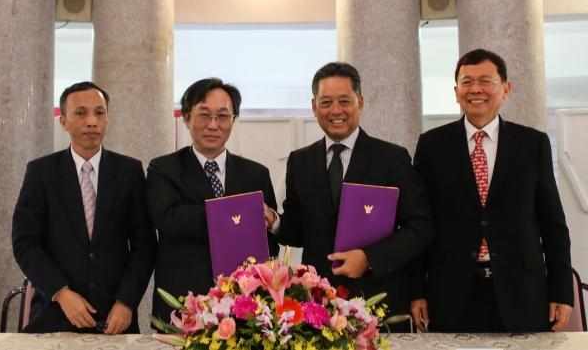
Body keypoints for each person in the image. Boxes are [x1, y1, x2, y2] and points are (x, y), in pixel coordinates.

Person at [409, 49, 573, 333]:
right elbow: (419, 223)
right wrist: (416, 290)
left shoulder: (532, 144)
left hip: (521, 292)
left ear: (506, 89)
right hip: (451, 293)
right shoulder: (432, 145)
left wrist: (561, 291)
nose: (475, 89)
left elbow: (553, 223)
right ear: (456, 91)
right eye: (467, 82)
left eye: (486, 81)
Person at [273, 62, 435, 329]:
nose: (336, 110)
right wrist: (274, 222)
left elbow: (420, 227)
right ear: (314, 107)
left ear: (360, 103)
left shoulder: (392, 159)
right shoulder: (299, 161)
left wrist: (370, 258)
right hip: (317, 304)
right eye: (326, 102)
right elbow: (299, 230)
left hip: (377, 301)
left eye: (344, 101)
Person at [12, 82, 157, 334]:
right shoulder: (41, 172)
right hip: (54, 315)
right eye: (81, 113)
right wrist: (61, 293)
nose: (92, 121)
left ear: (107, 118)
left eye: (99, 113)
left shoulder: (129, 172)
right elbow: (25, 242)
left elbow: (144, 245)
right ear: (64, 122)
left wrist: (126, 301)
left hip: (115, 319)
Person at [146, 78, 280, 322]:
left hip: (245, 306)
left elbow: (269, 242)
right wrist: (238, 216)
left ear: (233, 120)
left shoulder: (255, 174)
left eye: (222, 116)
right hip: (184, 304)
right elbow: (170, 219)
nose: (213, 124)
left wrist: (269, 220)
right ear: (187, 119)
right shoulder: (163, 169)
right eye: (204, 115)